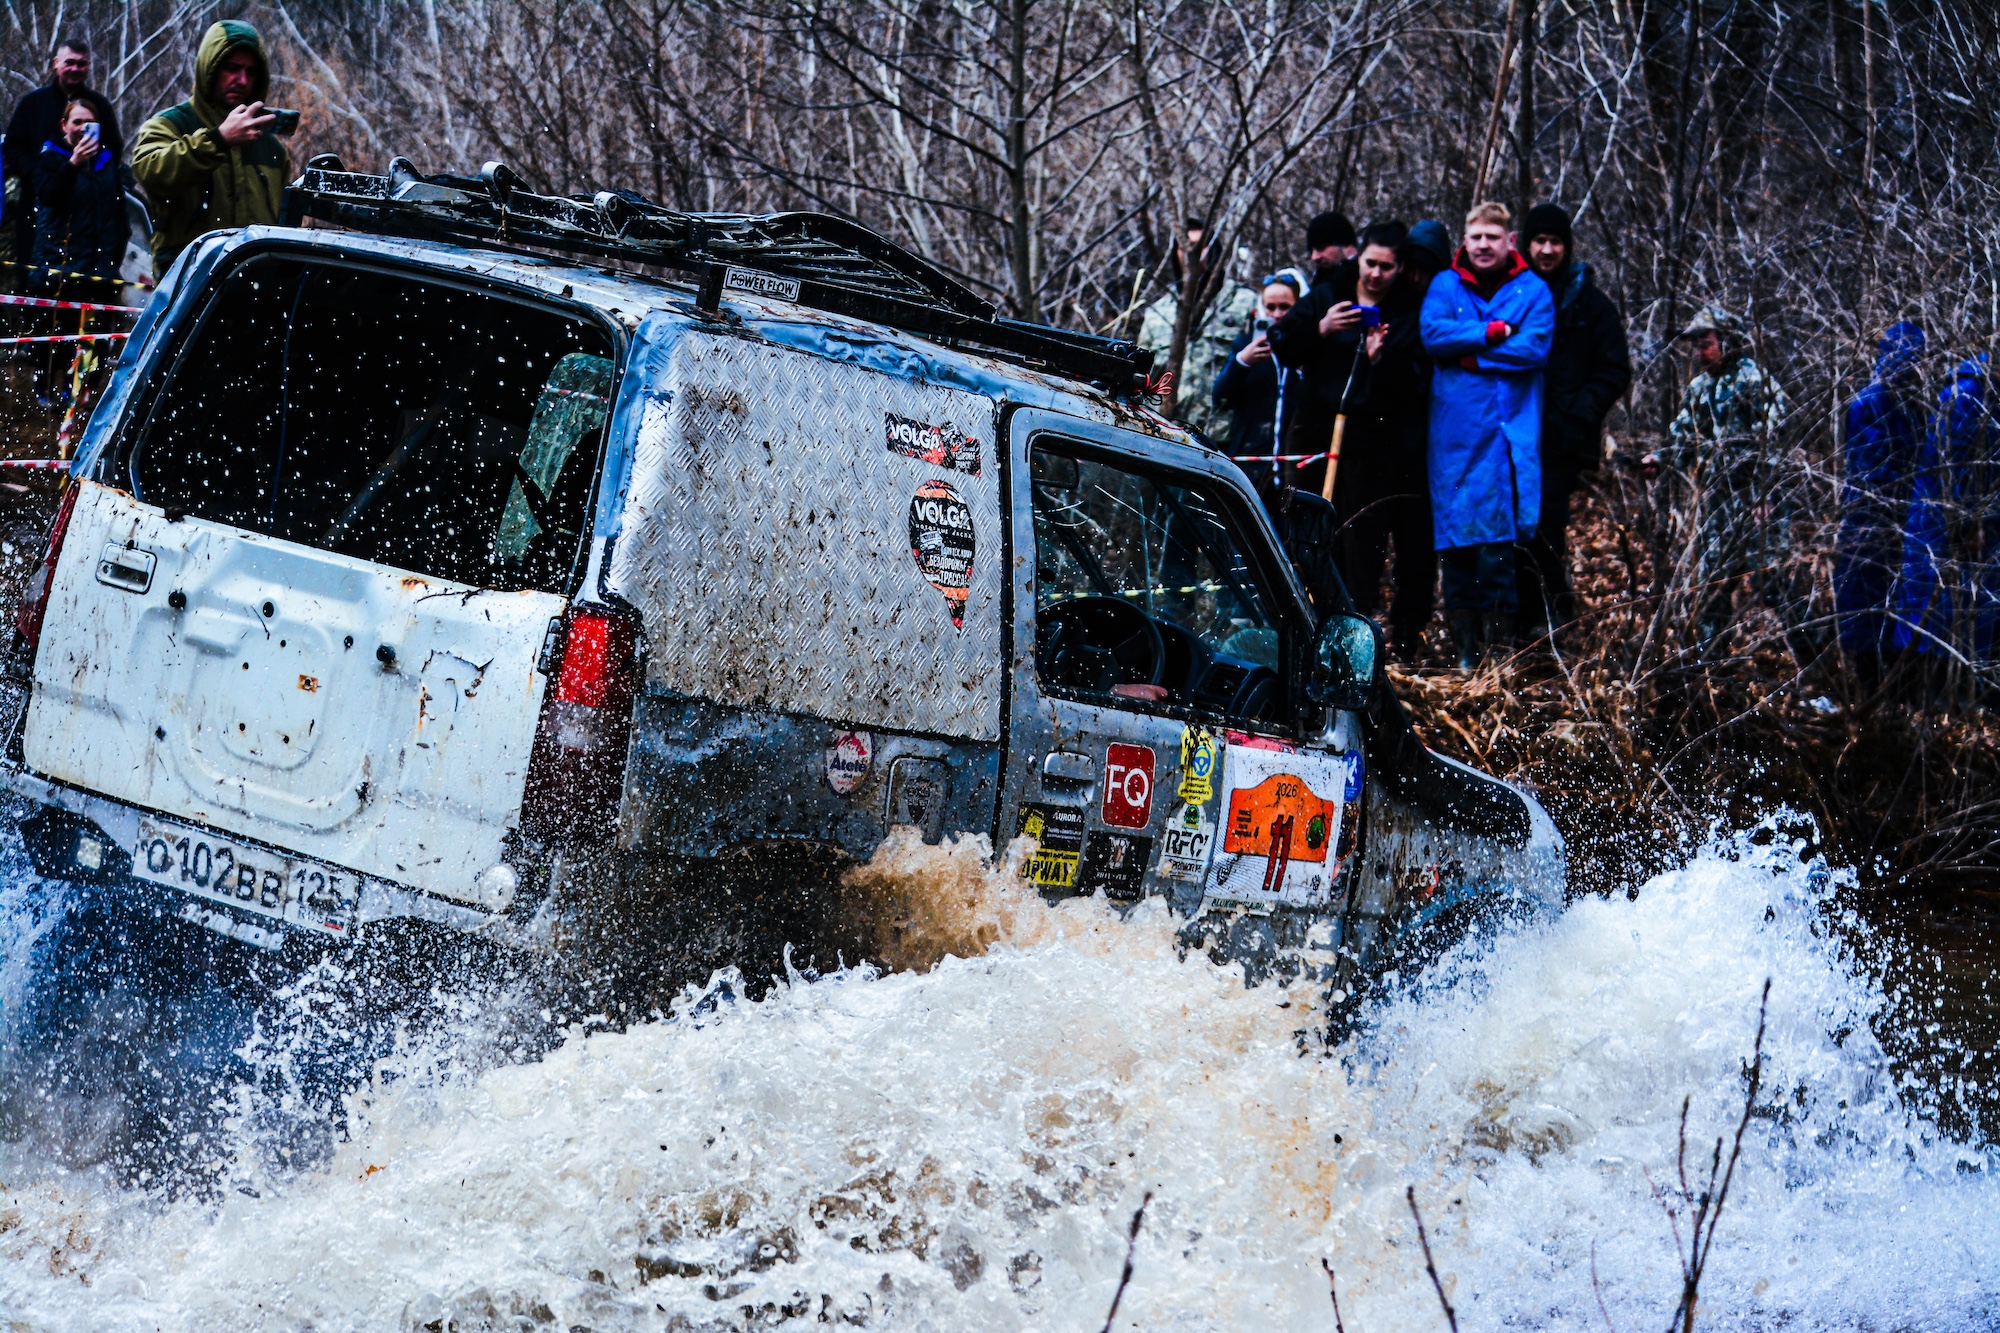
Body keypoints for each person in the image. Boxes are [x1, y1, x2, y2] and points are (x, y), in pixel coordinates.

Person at [1420, 201, 1554, 670]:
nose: (1482, 245)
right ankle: (1465, 654)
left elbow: (1533, 347)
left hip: (1505, 435)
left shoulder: (1533, 290)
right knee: (1456, 547)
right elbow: (1434, 334)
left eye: (1491, 237)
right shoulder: (1445, 285)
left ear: (1509, 241)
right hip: (1454, 439)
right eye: (1475, 237)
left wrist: (1472, 355)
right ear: (1464, 239)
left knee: (1498, 549)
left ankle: (1498, 658)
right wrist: (1492, 331)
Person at [1516, 203, 1632, 642]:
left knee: (1544, 527)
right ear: (1526, 245)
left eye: (1555, 242)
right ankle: (1519, 621)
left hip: (1562, 441)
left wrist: (1577, 413)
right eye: (1539, 241)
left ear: (1567, 246)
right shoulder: (1512, 295)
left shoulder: (1590, 304)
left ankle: (1552, 619)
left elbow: (1614, 370)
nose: (1547, 250)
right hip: (1514, 434)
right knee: (1514, 529)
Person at [1648, 306, 1791, 646]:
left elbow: (1773, 441)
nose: (1700, 353)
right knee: (1711, 587)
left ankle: (1815, 655)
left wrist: (1764, 495)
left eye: (1706, 345)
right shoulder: (1700, 387)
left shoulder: (1754, 381)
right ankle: (1709, 663)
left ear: (1728, 343)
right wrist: (1659, 460)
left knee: (1771, 585)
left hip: (1755, 505)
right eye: (1696, 346)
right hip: (1716, 506)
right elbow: (1684, 436)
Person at [132, 21, 291, 276]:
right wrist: (218, 140)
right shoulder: (170, 125)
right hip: (187, 280)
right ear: (210, 68)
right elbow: (151, 171)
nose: (242, 80)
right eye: (232, 68)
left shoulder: (271, 148)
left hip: (254, 280)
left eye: (251, 72)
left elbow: (284, 225)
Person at [1895, 351, 1999, 676]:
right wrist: (1967, 523)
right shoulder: (1967, 395)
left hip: (1982, 525)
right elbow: (1950, 466)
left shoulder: (1985, 395)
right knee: (1939, 617)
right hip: (1947, 525)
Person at [1832, 322, 1925, 678]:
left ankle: (1887, 681)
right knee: (1863, 605)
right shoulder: (1870, 402)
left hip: (1901, 520)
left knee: (1890, 604)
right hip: (1869, 518)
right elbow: (1870, 467)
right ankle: (1865, 683)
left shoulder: (1911, 404)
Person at [4, 37, 123, 268]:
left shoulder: (99, 106)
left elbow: (114, 149)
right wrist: (39, 175)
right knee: (34, 272)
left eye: (81, 64)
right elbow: (12, 146)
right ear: (56, 63)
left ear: (88, 66)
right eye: (70, 62)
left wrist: (94, 171)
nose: (75, 69)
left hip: (87, 212)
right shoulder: (33, 104)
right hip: (36, 204)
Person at [1212, 272, 1304, 472]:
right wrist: (1242, 362)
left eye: (1284, 307)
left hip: (1294, 465)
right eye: (1270, 307)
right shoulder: (1245, 345)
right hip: (1249, 463)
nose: (1277, 314)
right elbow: (1220, 397)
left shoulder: (1308, 349)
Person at [32, 101, 131, 280]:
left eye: (89, 123)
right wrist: (73, 164)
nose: (83, 128)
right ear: (64, 125)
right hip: (58, 269)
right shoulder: (50, 157)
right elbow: (48, 196)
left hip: (101, 271)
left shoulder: (107, 163)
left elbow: (118, 215)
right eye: (77, 122)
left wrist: (112, 258)